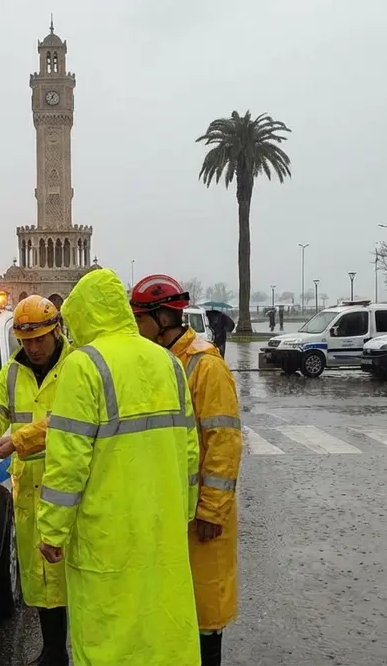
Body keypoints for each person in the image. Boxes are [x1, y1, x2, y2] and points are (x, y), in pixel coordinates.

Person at [36, 268, 201, 666]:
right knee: (161, 633)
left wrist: (51, 531)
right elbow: (190, 452)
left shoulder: (84, 366)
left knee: (109, 635)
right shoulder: (168, 362)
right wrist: (185, 512)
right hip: (161, 531)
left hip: (106, 535)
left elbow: (67, 462)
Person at [131, 274, 243, 666]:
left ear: (164, 318)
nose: (136, 328)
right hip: (169, 510)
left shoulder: (204, 366)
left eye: (140, 319)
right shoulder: (157, 362)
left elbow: (223, 443)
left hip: (201, 518)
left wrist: (212, 511)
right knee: (174, 609)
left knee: (204, 614)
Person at [0, 295, 74, 666]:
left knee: (78, 576)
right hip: (30, 488)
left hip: (72, 488)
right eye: (26, 341)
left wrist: (17, 441)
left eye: (41, 339)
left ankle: (81, 651)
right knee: (41, 579)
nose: (34, 348)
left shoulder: (78, 368)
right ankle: (55, 652)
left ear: (56, 331)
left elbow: (65, 421)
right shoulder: (13, 370)